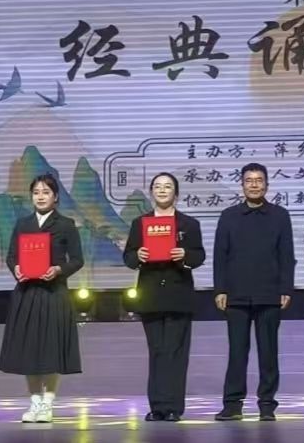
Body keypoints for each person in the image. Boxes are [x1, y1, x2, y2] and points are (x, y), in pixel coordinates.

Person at [0, 173, 84, 423]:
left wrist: (58, 270)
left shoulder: (66, 224)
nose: (40, 196)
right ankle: (35, 402)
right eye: (36, 192)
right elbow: (11, 256)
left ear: (55, 197)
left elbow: (77, 260)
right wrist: (15, 268)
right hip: (27, 293)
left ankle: (48, 403)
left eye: (46, 192)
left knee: (52, 349)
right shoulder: (23, 224)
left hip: (54, 293)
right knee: (30, 349)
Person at [213, 162, 296, 422]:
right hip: (235, 294)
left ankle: (267, 404)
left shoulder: (280, 216)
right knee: (237, 352)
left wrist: (286, 288)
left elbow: (286, 255)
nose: (254, 185)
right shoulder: (229, 216)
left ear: (267, 185)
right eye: (249, 180)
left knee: (268, 353)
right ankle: (232, 404)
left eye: (259, 180)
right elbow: (220, 255)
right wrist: (220, 289)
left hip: (269, 294)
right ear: (242, 185)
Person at [123, 172, 206, 422]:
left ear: (176, 194)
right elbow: (128, 257)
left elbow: (199, 255)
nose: (162, 190)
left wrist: (185, 255)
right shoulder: (140, 223)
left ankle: (173, 407)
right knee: (157, 350)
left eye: (167, 186)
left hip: (178, 295)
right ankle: (157, 406)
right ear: (151, 192)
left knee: (176, 352)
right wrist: (139, 255)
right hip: (150, 296)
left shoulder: (189, 224)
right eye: (157, 186)